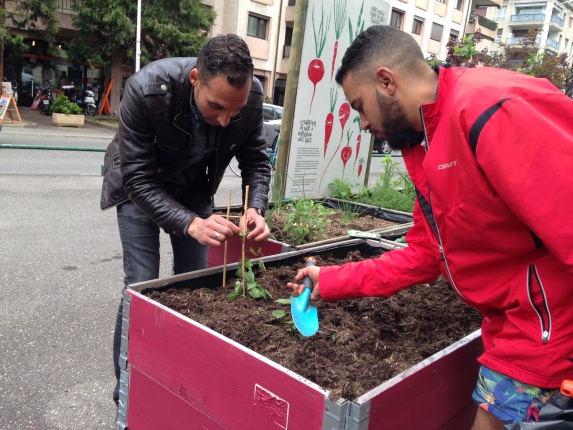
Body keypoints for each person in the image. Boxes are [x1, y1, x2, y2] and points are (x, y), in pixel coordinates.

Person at [288, 25, 573, 429]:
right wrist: (329, 281)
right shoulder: (426, 142)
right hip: (514, 325)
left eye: (360, 106)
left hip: (549, 329)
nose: (363, 124)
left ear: (386, 81)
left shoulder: (487, 110)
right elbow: (425, 255)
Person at [100, 34, 271, 406]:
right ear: (195, 79)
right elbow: (138, 179)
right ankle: (127, 393)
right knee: (142, 284)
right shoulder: (147, 90)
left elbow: (256, 160)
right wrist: (192, 224)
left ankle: (179, 382)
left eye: (235, 111)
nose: (226, 120)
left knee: (196, 284)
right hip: (139, 186)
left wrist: (255, 206)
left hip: (193, 188)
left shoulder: (252, 97)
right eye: (216, 107)